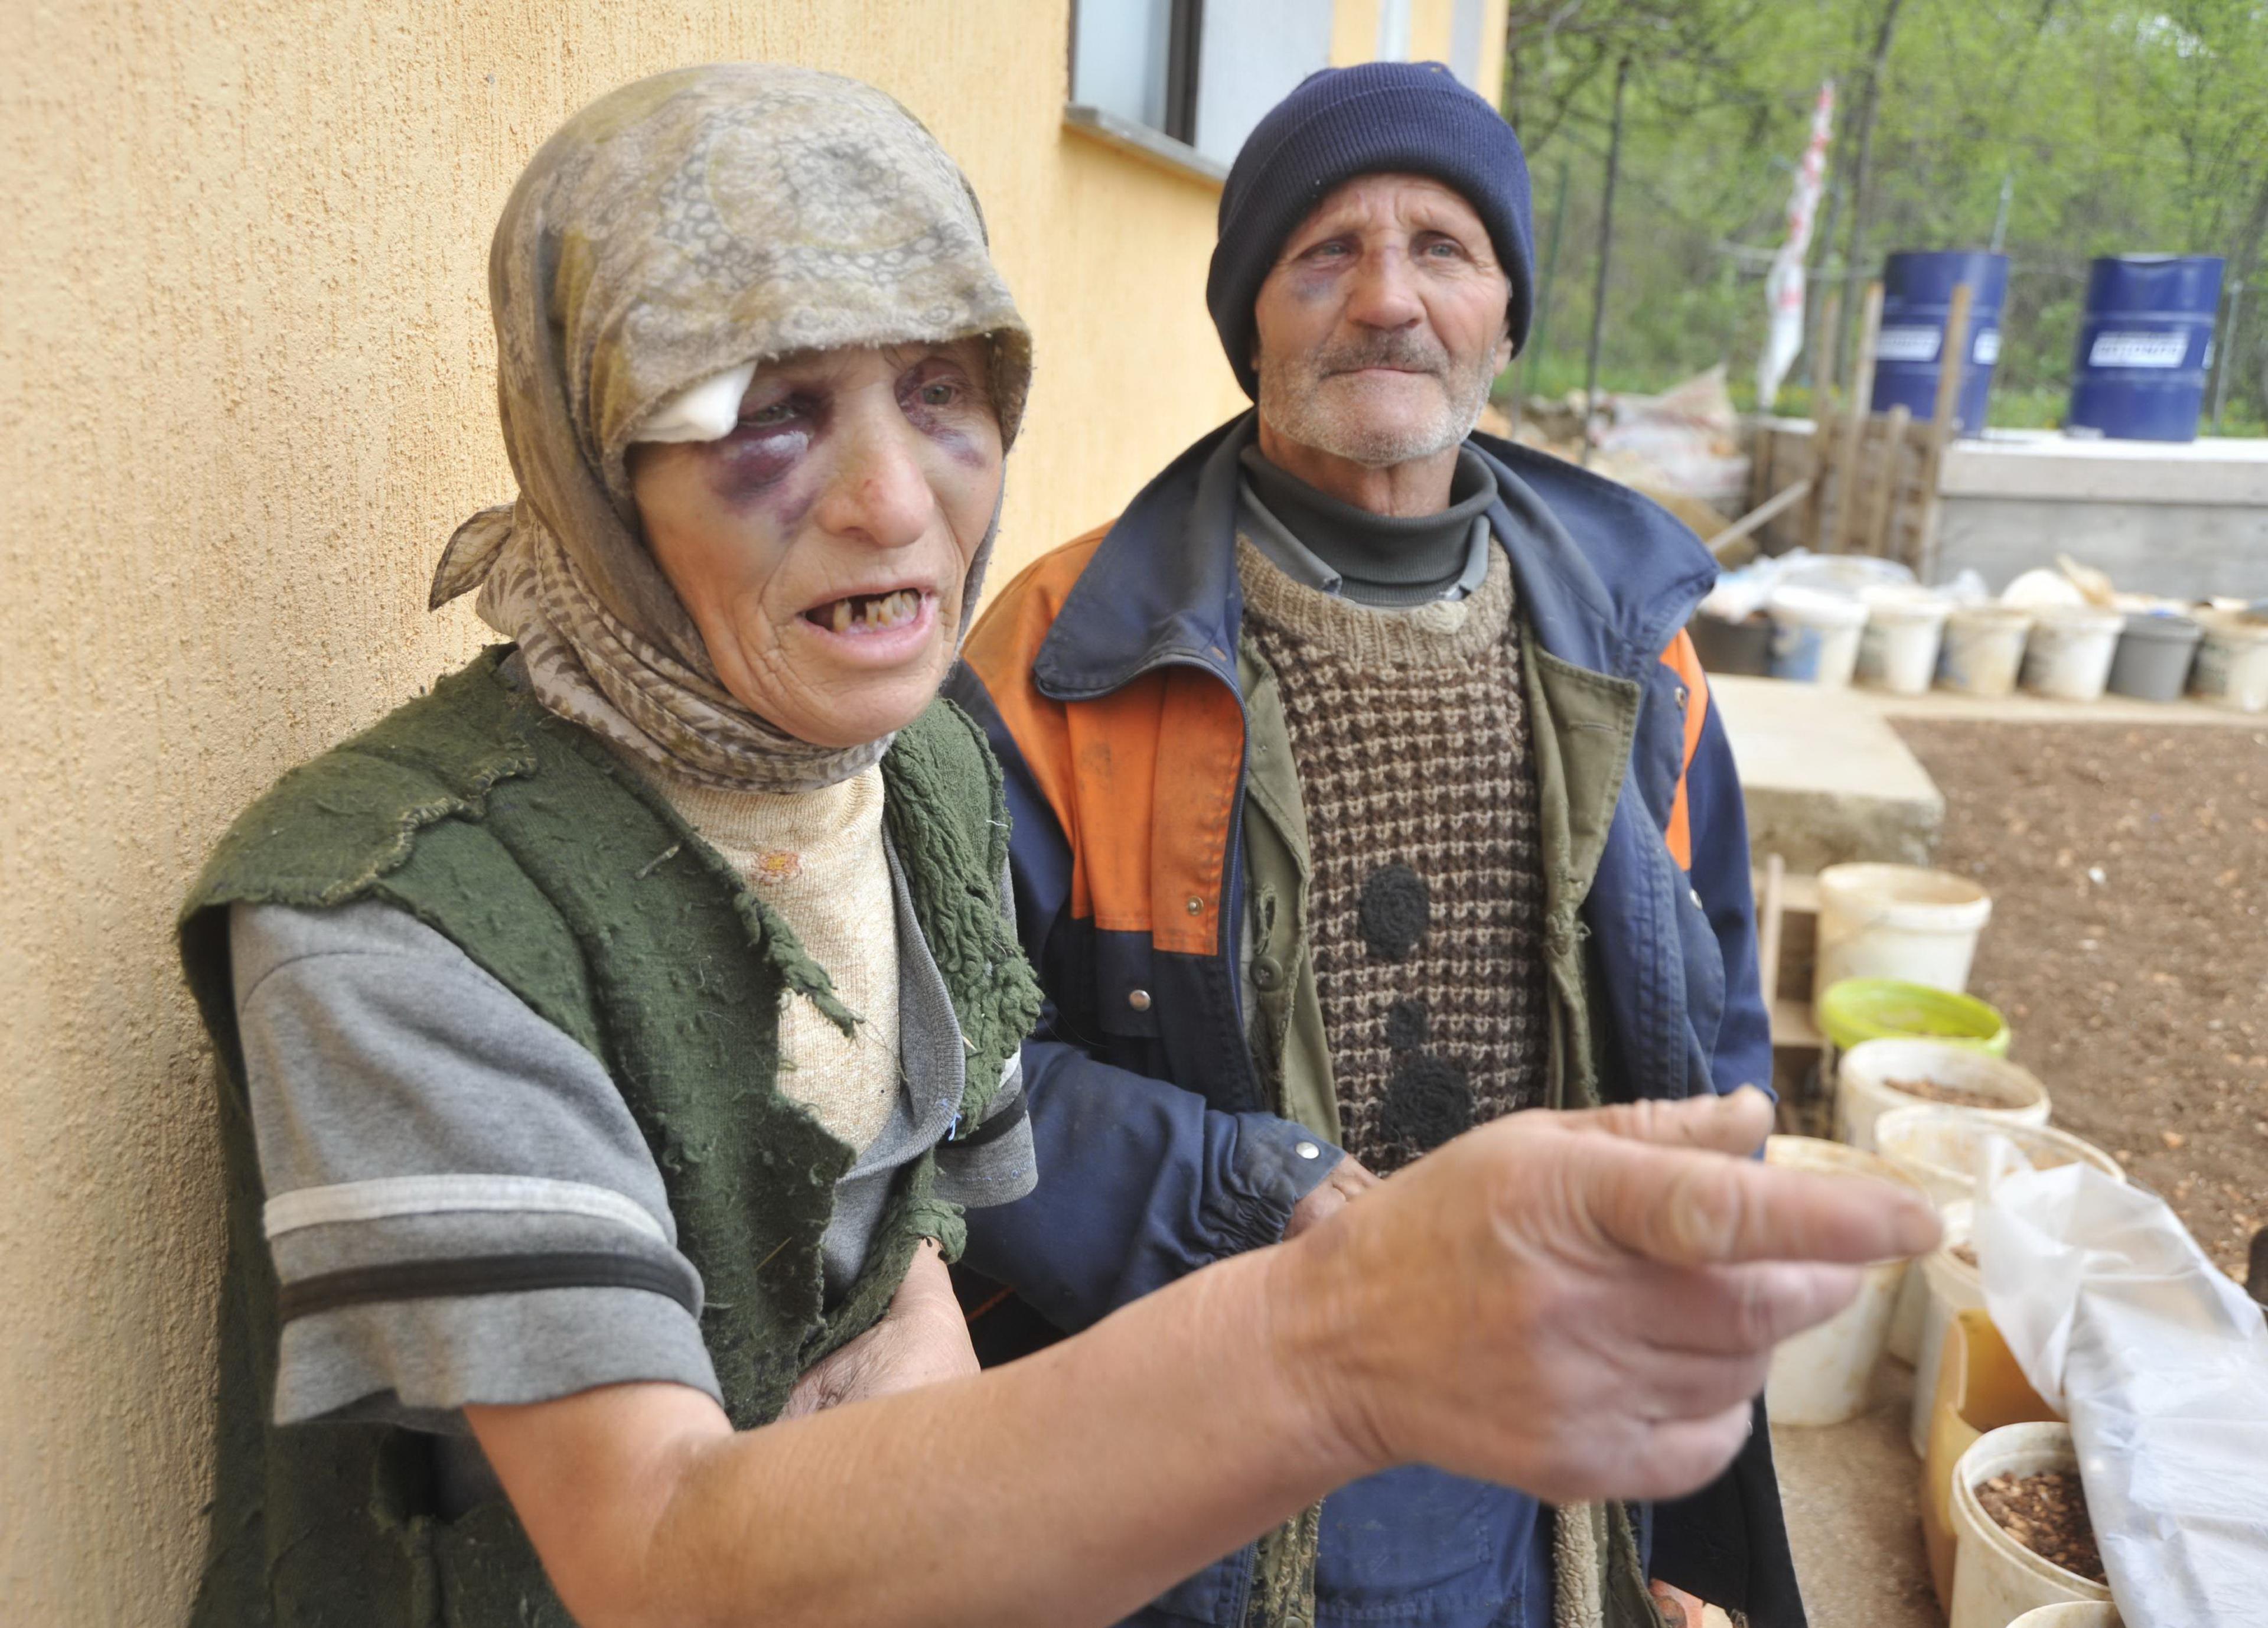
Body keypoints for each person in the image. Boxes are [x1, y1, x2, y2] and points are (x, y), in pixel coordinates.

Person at [175, 64, 1934, 1628]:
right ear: (582, 438)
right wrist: (1332, 1300)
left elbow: (920, 1273)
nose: (888, 503)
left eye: (941, 388)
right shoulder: (394, 916)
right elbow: (657, 1553)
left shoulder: (899, 775)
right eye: (762, 407)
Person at [949, 60, 1800, 1627]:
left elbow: (1716, 1052)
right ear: (1251, 318)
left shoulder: (1633, 650)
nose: (1387, 299)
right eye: (1324, 250)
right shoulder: (1069, 646)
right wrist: (1254, 1190)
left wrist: (1678, 1517)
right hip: (1178, 1440)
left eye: (1443, 250)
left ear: (1504, 313)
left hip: (1530, 1466)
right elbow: (943, 1067)